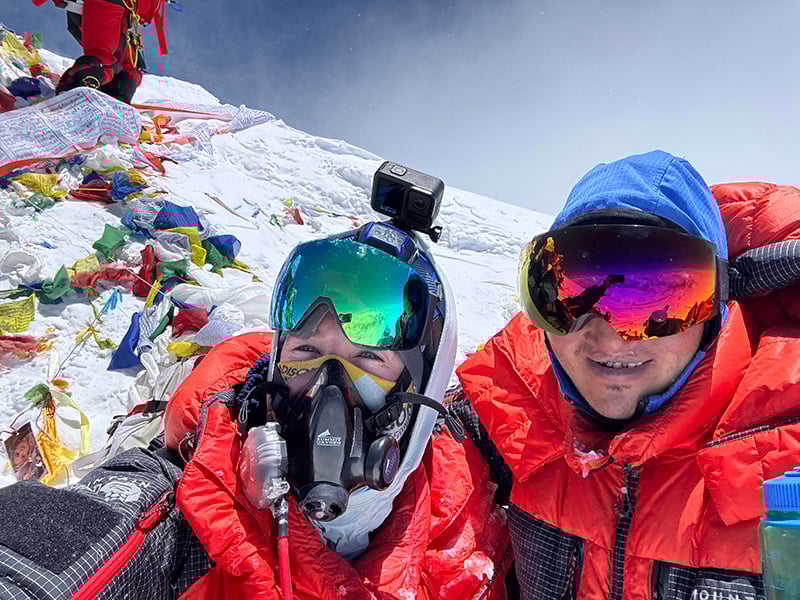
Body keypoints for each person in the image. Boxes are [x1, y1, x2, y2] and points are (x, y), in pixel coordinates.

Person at [0, 221, 513, 599]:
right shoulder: (183, 515)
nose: (326, 388)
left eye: (367, 359)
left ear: (419, 393)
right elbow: (64, 554)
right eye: (307, 353)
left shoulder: (468, 512)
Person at [456, 150, 800, 599]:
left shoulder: (784, 444)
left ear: (716, 307)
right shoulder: (513, 410)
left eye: (660, 302)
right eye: (573, 299)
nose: (613, 340)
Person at [31, 0, 168, 103]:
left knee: (127, 69)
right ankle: (70, 94)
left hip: (119, 11)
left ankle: (111, 102)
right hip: (111, 6)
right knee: (104, 60)